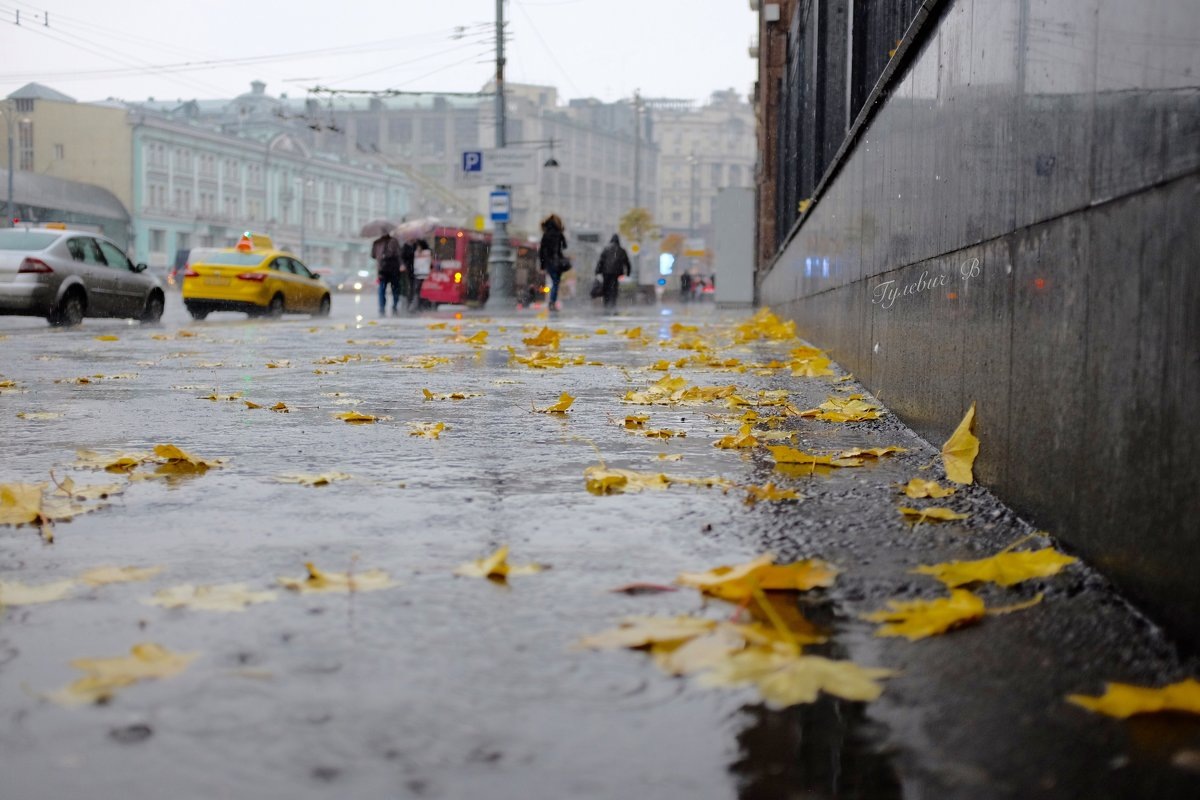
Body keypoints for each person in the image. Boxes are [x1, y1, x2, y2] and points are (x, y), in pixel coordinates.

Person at [539, 214, 568, 311]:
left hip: (549, 262)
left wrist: (542, 265)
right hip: (558, 262)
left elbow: (542, 251)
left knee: (554, 282)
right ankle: (552, 302)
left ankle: (552, 302)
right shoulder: (559, 233)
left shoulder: (546, 234)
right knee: (556, 282)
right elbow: (565, 246)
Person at [595, 233, 631, 310]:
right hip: (616, 272)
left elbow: (601, 261)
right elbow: (627, 262)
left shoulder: (606, 249)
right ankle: (613, 303)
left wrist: (597, 271)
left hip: (606, 272)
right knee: (614, 288)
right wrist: (628, 273)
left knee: (606, 287)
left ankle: (606, 303)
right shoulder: (621, 250)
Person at [372, 232, 402, 316]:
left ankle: (384, 308)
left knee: (383, 289)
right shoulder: (393, 241)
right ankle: (391, 307)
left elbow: (373, 255)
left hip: (384, 269)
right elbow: (399, 254)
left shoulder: (377, 242)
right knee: (393, 290)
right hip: (391, 269)